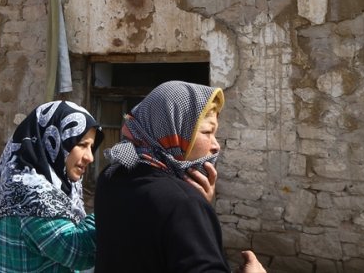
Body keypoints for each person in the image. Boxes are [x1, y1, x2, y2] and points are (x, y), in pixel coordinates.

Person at [94, 81, 267, 273]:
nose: (216, 145)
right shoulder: (183, 203)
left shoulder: (111, 176)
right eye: (208, 132)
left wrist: (199, 209)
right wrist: (197, 209)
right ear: (174, 129)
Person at [0, 100, 104, 273]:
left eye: (91, 147)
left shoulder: (37, 182)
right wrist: (113, 209)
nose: (90, 157)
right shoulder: (33, 194)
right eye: (82, 145)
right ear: (52, 139)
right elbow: (77, 253)